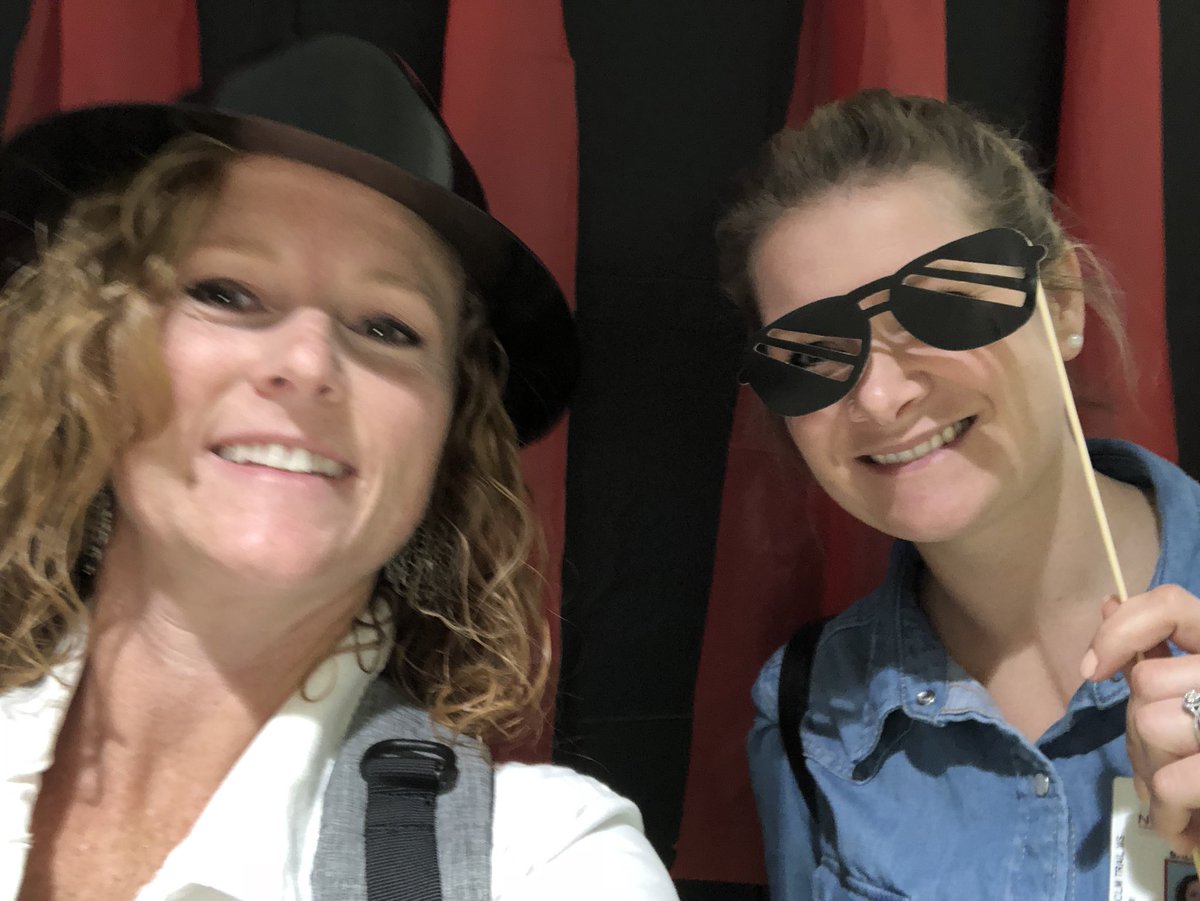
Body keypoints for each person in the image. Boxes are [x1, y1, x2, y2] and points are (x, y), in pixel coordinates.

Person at [0, 35, 677, 900]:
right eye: (227, 291)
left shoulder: (548, 860)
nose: (309, 361)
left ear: (450, 434)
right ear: (94, 351)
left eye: (388, 327)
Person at [717, 88, 1200, 899]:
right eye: (811, 356)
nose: (880, 398)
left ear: (1062, 303)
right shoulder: (810, 711)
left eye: (938, 306)